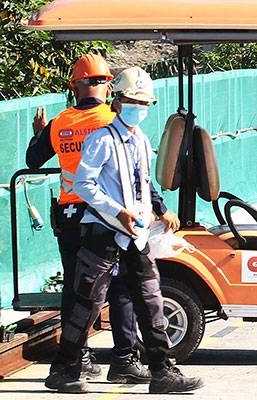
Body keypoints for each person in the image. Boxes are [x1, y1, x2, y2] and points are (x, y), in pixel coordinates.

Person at [45, 67, 203, 394]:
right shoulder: (100, 140)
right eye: (133, 100)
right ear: (118, 101)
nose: (139, 108)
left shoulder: (140, 141)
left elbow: (141, 183)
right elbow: (84, 184)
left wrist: (158, 210)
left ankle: (162, 370)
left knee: (150, 299)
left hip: (135, 234)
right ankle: (63, 368)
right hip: (103, 231)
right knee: (87, 302)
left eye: (144, 103)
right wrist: (117, 212)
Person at [27, 54, 170, 387]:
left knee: (80, 293)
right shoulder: (113, 121)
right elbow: (138, 179)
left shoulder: (61, 122)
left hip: (70, 217)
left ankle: (80, 359)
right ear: (109, 88)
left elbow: (33, 159)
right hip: (108, 218)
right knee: (122, 290)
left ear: (74, 86)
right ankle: (124, 359)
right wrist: (159, 209)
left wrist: (39, 135)